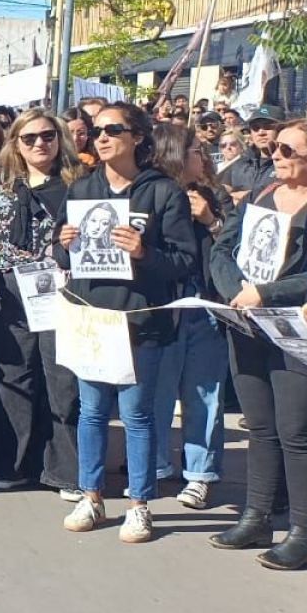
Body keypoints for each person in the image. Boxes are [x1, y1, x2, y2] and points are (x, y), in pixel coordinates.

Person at [54, 102, 194, 544]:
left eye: (113, 129)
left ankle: (139, 504)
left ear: (137, 137)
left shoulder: (162, 192)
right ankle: (91, 495)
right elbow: (61, 255)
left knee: (136, 415)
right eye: (97, 131)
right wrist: (63, 244)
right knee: (91, 412)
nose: (102, 137)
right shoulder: (82, 189)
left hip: (138, 319)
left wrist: (143, 253)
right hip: (92, 316)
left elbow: (185, 260)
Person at [208, 118, 307, 586]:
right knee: (260, 426)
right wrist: (234, 292)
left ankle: (304, 532)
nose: (275, 157)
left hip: (296, 332)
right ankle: (257, 515)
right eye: (275, 150)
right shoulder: (262, 196)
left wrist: (266, 292)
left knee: (296, 432)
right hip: (246, 323)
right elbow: (221, 249)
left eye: (287, 150)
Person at [0, 109, 83, 495]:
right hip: (16, 295)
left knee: (62, 380)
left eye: (48, 136)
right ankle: (11, 464)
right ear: (16, 144)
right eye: (30, 138)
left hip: (65, 293)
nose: (41, 144)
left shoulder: (81, 184)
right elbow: (1, 247)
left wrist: (69, 250)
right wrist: (50, 255)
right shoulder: (5, 187)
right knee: (15, 380)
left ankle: (64, 471)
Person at [147, 122, 229, 510]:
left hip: (204, 304)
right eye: (197, 150)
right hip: (163, 304)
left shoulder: (213, 196)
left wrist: (212, 221)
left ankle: (200, 473)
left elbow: (238, 249)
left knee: (203, 393)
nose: (204, 156)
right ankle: (154, 462)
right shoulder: (153, 194)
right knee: (157, 390)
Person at [221, 103, 281, 199]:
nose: (261, 132)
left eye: (268, 127)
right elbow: (223, 194)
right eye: (255, 128)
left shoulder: (287, 165)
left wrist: (244, 197)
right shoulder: (240, 163)